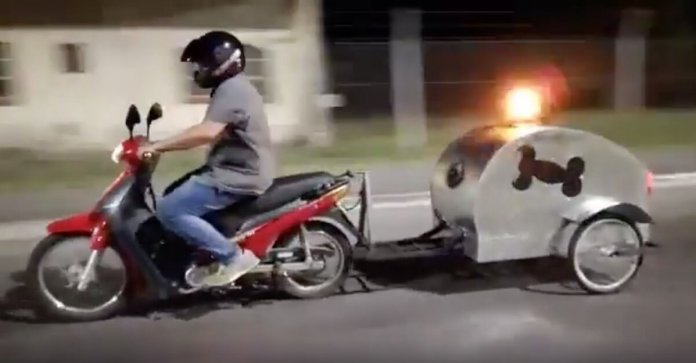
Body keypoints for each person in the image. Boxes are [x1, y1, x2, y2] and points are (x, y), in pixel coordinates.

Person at [138, 30, 275, 287]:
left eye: (203, 63)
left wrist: (158, 146)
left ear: (222, 62)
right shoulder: (230, 88)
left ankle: (232, 257)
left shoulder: (233, 89)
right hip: (232, 169)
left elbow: (205, 132)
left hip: (240, 175)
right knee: (175, 191)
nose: (198, 69)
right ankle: (196, 256)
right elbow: (212, 132)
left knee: (169, 209)